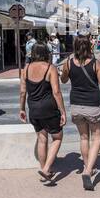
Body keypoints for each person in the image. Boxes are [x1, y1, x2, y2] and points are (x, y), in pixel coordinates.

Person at [60, 35, 100, 191]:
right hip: (93, 105)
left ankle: (88, 167)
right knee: (96, 137)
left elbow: (63, 80)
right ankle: (87, 171)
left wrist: (65, 70)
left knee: (83, 137)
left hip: (76, 105)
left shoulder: (69, 63)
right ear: (90, 46)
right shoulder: (96, 64)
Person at [19, 44, 66, 185]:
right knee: (57, 138)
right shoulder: (50, 68)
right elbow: (56, 92)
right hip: (49, 108)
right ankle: (46, 170)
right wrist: (62, 111)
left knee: (42, 138)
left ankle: (44, 168)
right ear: (46, 53)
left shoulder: (25, 69)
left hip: (33, 108)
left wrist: (22, 109)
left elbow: (22, 92)